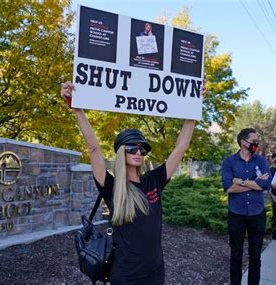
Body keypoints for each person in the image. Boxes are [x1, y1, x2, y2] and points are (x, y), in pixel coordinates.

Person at [60, 81, 198, 284]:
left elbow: (181, 146)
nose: (138, 152)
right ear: (121, 153)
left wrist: (194, 107)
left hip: (155, 273)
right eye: (132, 148)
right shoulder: (112, 187)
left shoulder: (154, 180)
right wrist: (76, 109)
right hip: (125, 276)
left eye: (142, 149)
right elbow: (94, 148)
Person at [222, 128, 271, 285]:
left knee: (255, 256)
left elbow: (266, 184)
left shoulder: (261, 161)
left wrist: (241, 181)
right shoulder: (229, 162)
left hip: (257, 214)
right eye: (253, 141)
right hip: (236, 214)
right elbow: (229, 188)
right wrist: (255, 182)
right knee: (236, 255)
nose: (256, 144)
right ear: (243, 142)